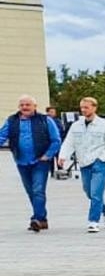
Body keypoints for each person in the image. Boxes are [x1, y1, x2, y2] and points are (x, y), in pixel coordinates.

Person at [0, 95, 60, 232]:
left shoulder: (45, 120)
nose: (24, 107)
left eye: (28, 105)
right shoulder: (12, 121)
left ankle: (37, 219)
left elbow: (56, 140)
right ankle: (42, 219)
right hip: (22, 161)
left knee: (38, 190)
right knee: (30, 191)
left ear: (35, 106)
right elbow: (2, 136)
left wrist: (48, 155)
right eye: (22, 105)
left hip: (40, 161)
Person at [57, 97, 105, 233]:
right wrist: (63, 155)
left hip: (99, 163)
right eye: (82, 108)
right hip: (84, 163)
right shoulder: (76, 125)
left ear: (94, 108)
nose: (83, 110)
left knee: (96, 193)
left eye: (86, 107)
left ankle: (93, 221)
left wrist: (102, 158)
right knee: (89, 191)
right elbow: (69, 142)